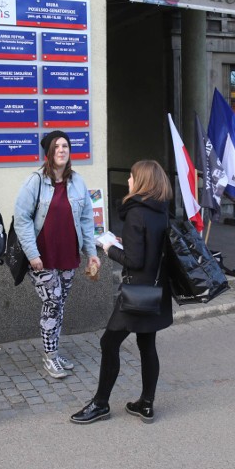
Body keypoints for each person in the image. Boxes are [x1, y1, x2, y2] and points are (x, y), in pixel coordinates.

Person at [71, 160, 173, 424]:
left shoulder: (136, 212)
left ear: (141, 182)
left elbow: (135, 260)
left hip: (136, 291)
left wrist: (109, 248)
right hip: (155, 288)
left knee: (109, 342)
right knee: (146, 344)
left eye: (131, 176)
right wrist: (123, 242)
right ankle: (146, 405)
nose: (128, 180)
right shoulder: (159, 210)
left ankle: (101, 403)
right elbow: (148, 250)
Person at [14, 130, 100, 379]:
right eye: (56, 146)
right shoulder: (36, 181)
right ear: (48, 153)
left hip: (68, 256)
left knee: (59, 304)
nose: (62, 150)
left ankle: (54, 351)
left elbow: (85, 219)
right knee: (52, 303)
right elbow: (21, 220)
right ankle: (50, 356)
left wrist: (91, 253)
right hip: (42, 258)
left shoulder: (78, 182)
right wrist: (32, 253)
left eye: (65, 146)